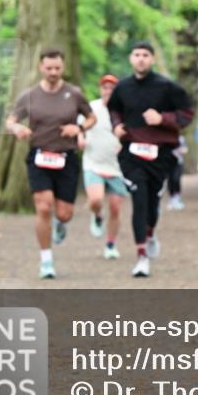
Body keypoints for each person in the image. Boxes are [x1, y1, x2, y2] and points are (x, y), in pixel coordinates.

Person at [4, 49, 95, 279]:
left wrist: (80, 128)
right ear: (41, 68)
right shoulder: (30, 95)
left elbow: (92, 117)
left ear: (63, 68)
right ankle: (46, 260)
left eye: (57, 68)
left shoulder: (74, 94)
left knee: (64, 213)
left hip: (66, 158)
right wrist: (17, 128)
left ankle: (60, 223)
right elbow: (11, 120)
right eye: (49, 68)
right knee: (43, 206)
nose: (53, 72)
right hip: (39, 156)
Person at [107, 41, 195, 278]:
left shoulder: (167, 87)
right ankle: (141, 256)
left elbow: (187, 114)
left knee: (152, 202)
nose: (141, 59)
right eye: (137, 54)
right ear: (130, 58)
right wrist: (116, 126)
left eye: (146, 55)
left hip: (160, 153)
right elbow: (113, 109)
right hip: (131, 153)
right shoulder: (122, 87)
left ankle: (150, 233)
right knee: (139, 198)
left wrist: (163, 118)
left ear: (152, 59)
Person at [82, 73, 128, 260]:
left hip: (117, 167)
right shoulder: (91, 108)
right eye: (105, 87)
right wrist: (80, 138)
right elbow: (80, 126)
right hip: (93, 163)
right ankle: (97, 215)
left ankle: (110, 244)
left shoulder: (124, 110)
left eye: (112, 88)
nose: (108, 91)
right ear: (100, 89)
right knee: (96, 200)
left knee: (116, 208)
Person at [167, 135, 186, 210]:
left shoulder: (181, 138)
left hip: (178, 163)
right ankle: (172, 198)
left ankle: (177, 198)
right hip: (168, 163)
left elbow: (185, 149)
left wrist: (180, 151)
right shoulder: (166, 137)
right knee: (170, 180)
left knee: (176, 179)